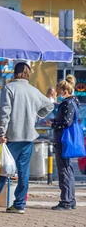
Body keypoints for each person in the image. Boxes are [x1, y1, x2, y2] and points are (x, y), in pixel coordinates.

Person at [0, 62, 53, 214]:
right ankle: (19, 204)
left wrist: (1, 133)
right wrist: (36, 115)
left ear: (15, 73)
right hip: (28, 137)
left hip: (12, 136)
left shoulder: (9, 88)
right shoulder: (34, 90)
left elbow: (5, 113)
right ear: (28, 74)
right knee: (23, 172)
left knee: (2, 170)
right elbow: (49, 105)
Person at [51, 75, 78, 211]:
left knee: (64, 170)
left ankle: (66, 200)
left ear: (64, 91)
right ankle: (70, 199)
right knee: (68, 169)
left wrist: (54, 124)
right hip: (65, 140)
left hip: (63, 140)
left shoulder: (67, 103)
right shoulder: (73, 102)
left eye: (59, 91)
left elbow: (66, 122)